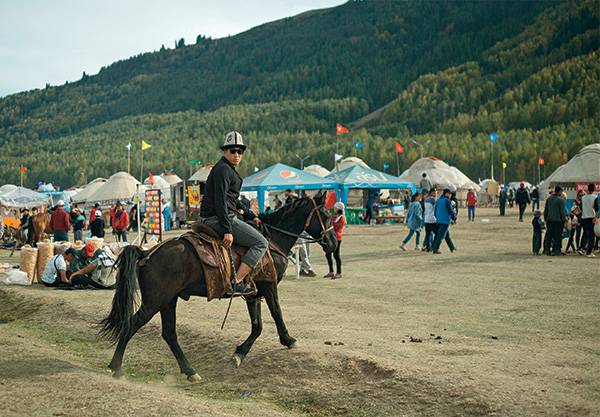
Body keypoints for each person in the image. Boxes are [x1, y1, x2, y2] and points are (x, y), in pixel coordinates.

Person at [200, 131, 267, 296]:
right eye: (233, 150)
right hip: (218, 219)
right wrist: (227, 230)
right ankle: (235, 282)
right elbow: (220, 201)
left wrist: (251, 215)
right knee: (261, 243)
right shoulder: (223, 169)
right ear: (225, 151)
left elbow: (232, 199)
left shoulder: (225, 168)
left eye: (240, 151)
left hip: (219, 216)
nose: (237, 154)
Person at [543, 186, 566, 256]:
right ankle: (556, 250)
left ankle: (547, 250)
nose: (562, 193)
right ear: (559, 191)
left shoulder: (549, 199)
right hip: (558, 221)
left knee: (549, 236)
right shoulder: (561, 200)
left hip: (549, 220)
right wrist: (564, 220)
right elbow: (562, 212)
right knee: (557, 236)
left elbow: (545, 211)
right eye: (561, 191)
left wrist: (545, 219)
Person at [431, 189, 456, 254]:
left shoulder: (438, 200)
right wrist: (454, 217)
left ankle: (452, 248)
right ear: (447, 194)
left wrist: (436, 217)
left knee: (446, 235)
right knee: (441, 236)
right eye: (450, 194)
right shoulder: (447, 201)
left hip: (438, 220)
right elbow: (450, 210)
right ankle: (435, 249)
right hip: (445, 220)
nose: (450, 195)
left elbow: (435, 211)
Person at [325, 202, 345, 279]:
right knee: (328, 254)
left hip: (337, 238)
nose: (334, 209)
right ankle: (331, 271)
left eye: (335, 208)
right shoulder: (334, 216)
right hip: (331, 237)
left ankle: (339, 272)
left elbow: (335, 227)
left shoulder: (342, 218)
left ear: (339, 209)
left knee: (336, 255)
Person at [578, 183, 597, 257]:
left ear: (587, 189)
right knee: (592, 235)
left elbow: (580, 207)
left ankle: (581, 248)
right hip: (592, 218)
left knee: (585, 234)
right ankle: (589, 252)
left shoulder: (583, 197)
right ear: (594, 189)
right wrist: (596, 217)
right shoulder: (595, 197)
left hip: (584, 217)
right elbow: (596, 208)